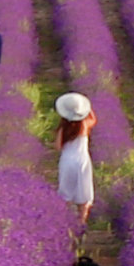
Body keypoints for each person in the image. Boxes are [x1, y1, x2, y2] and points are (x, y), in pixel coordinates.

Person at [55, 92, 97, 226]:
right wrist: (86, 108)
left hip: (67, 161)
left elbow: (57, 146)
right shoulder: (85, 125)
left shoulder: (63, 128)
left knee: (66, 191)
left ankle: (65, 221)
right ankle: (82, 221)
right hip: (82, 160)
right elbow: (93, 119)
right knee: (84, 191)